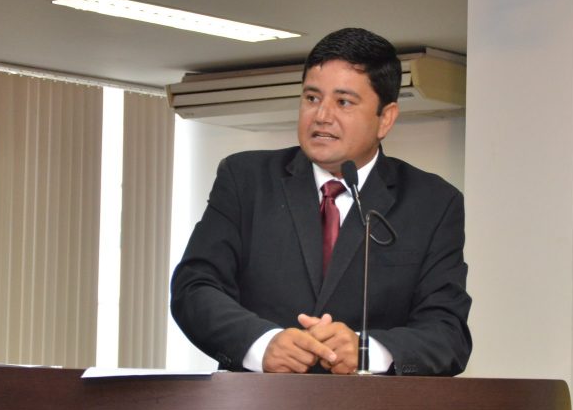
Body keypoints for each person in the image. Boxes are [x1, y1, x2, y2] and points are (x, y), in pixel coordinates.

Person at [170, 28, 471, 375]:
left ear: (385, 118)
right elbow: (195, 287)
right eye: (312, 98)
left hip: (370, 407)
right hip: (258, 402)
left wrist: (366, 350)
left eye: (343, 102)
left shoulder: (433, 203)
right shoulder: (245, 179)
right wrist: (263, 344)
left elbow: (448, 332)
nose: (322, 115)